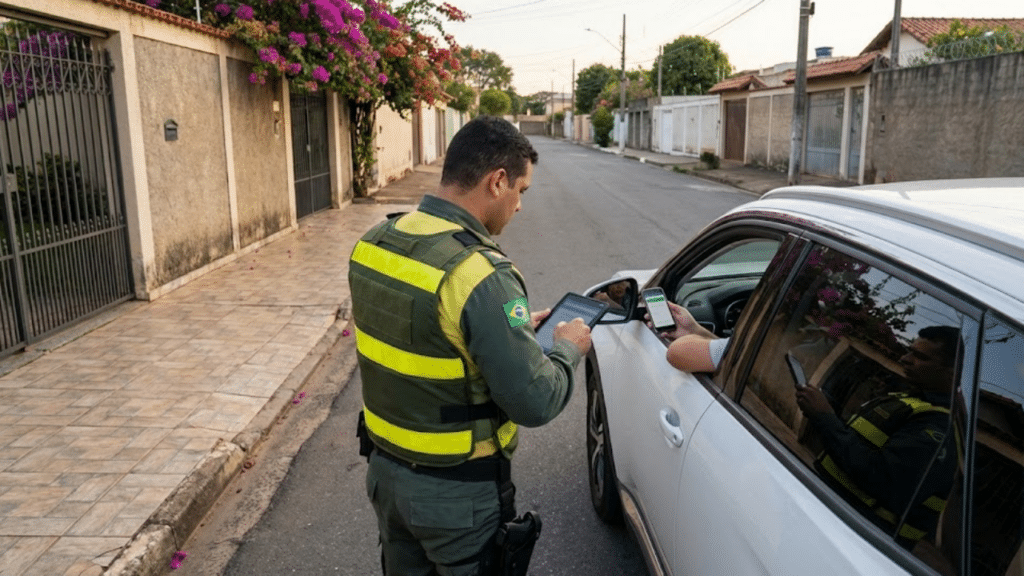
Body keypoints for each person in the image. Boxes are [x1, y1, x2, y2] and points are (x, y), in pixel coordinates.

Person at [348, 116, 592, 575]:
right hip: (457, 501)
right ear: (497, 181)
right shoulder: (482, 275)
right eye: (522, 190)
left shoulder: (374, 243)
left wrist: (505, 332)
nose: (519, 206)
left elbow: (424, 335)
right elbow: (535, 401)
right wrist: (567, 349)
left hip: (386, 480)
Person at [796, 326, 962, 546]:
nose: (905, 358)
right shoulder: (911, 402)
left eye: (920, 357)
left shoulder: (938, 427)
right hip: (831, 518)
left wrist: (825, 418)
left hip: (861, 538)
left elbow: (881, 479)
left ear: (950, 373)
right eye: (909, 350)